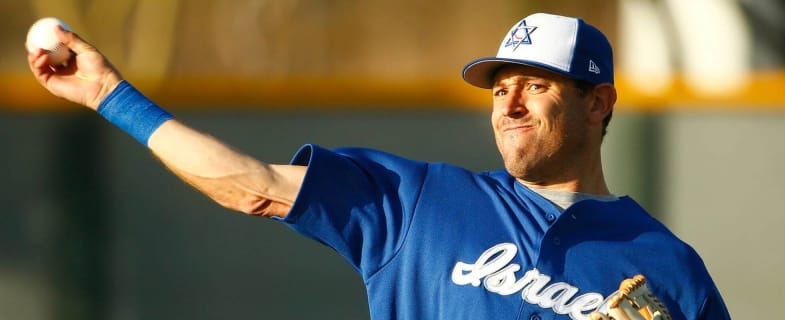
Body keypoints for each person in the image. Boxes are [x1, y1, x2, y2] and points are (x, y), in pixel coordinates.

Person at [27, 12, 730, 320]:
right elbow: (248, 185)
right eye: (499, 87)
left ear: (598, 102)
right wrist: (110, 96)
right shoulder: (417, 200)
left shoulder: (669, 268)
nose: (509, 102)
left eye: (537, 85)